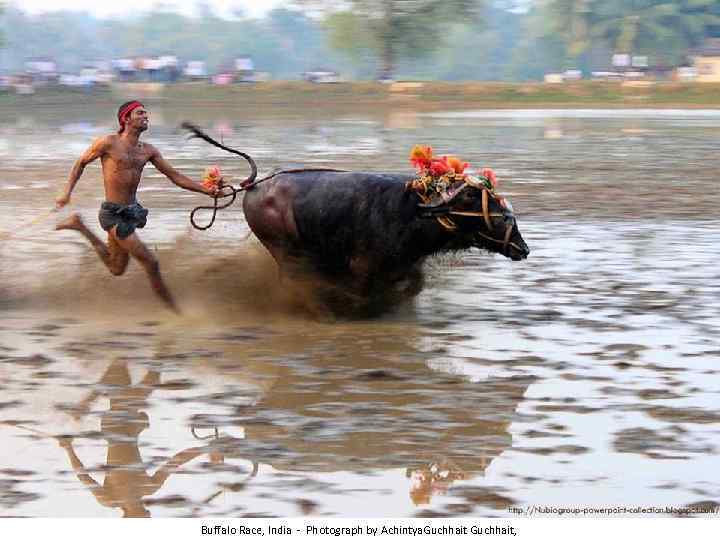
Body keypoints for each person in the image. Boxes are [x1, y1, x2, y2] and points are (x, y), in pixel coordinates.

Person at [55, 100, 222, 313]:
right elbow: (81, 162)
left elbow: (175, 176)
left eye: (146, 113)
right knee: (151, 263)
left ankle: (79, 226)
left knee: (116, 268)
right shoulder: (108, 142)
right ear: (125, 119)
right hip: (112, 214)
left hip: (131, 213)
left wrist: (206, 190)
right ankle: (176, 313)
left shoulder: (149, 151)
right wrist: (66, 192)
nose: (146, 116)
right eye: (140, 113)